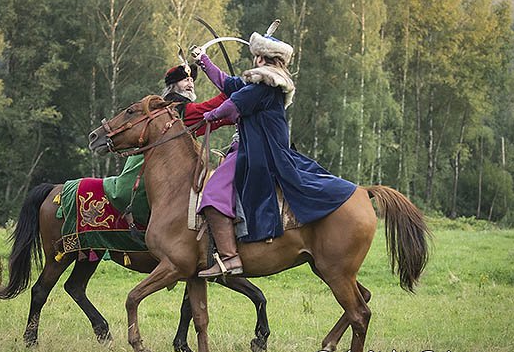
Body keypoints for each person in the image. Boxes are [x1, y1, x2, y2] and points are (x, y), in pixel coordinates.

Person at [192, 24, 357, 278]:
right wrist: (203, 61)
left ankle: (229, 258)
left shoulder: (264, 86)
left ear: (260, 57)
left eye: (255, 55)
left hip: (259, 155)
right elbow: (227, 83)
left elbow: (231, 107)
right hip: (257, 151)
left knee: (213, 193)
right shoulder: (261, 84)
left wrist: (208, 116)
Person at [109, 62, 234, 224]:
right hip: (158, 164)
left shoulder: (178, 107)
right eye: (185, 80)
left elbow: (207, 123)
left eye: (191, 80)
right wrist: (232, 89)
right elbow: (211, 108)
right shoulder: (179, 107)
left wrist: (233, 116)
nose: (190, 84)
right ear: (173, 85)